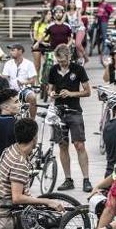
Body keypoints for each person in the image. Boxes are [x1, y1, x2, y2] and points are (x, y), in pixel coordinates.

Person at [48, 44, 92, 192]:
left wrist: (71, 93)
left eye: (63, 61)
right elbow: (50, 88)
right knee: (62, 145)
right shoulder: (53, 70)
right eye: (59, 61)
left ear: (69, 57)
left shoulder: (78, 69)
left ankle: (86, 179)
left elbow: (87, 92)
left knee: (79, 145)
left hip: (74, 111)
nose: (61, 64)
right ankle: (68, 179)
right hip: (59, 112)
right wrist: (52, 94)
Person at [0, 89, 20, 184]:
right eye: (16, 102)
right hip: (14, 176)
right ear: (6, 106)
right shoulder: (17, 125)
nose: (19, 105)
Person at [2, 43, 37, 118]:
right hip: (11, 90)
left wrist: (24, 82)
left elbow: (33, 80)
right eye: (10, 51)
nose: (10, 52)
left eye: (13, 50)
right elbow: (4, 78)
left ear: (20, 51)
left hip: (24, 89)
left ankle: (32, 120)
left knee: (32, 97)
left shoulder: (29, 64)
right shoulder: (8, 63)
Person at [31, 9, 52, 74]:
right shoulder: (37, 23)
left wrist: (48, 43)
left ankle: (45, 79)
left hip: (47, 43)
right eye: (49, 14)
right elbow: (35, 36)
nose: (51, 15)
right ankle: (36, 81)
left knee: (48, 64)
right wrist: (42, 43)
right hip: (38, 43)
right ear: (45, 15)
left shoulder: (51, 24)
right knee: (37, 65)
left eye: (51, 14)